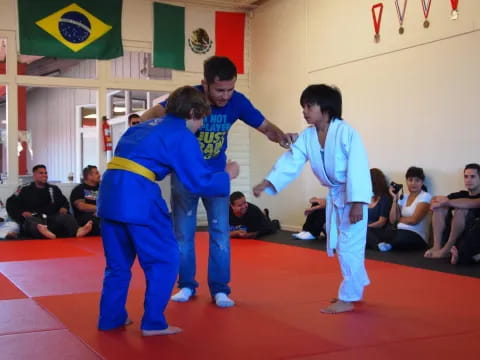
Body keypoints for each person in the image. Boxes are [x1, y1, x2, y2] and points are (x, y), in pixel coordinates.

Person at [141, 56, 295, 307]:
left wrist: (282, 138)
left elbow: (266, 127)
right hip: (185, 174)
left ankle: (220, 289)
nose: (225, 96)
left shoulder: (238, 102)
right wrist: (136, 125)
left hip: (216, 176)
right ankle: (187, 285)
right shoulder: (190, 97)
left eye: (230, 89)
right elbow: (155, 113)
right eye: (219, 90)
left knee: (221, 233)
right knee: (183, 234)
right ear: (205, 84)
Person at [97, 86, 239, 336]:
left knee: (117, 265)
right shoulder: (181, 134)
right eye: (201, 119)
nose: (201, 126)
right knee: (165, 258)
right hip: (137, 196)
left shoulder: (141, 127)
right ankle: (153, 322)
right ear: (194, 112)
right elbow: (200, 182)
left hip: (109, 195)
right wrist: (227, 175)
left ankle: (111, 318)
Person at [253, 84, 372, 314]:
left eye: (309, 106)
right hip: (337, 195)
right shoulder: (308, 136)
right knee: (344, 244)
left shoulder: (347, 133)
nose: (304, 111)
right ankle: (355, 285)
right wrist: (268, 182)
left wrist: (358, 202)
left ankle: (348, 297)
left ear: (326, 108)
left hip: (352, 195)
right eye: (303, 106)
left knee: (350, 246)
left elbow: (358, 167)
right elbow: (292, 160)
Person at [6, 165, 92, 239]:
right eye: (41, 173)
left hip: (51, 218)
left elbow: (64, 202)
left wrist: (64, 208)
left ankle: (78, 231)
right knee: (32, 223)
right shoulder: (23, 189)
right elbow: (11, 203)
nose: (44, 175)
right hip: (34, 218)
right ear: (34, 175)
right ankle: (44, 232)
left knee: (67, 217)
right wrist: (21, 213)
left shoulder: (53, 189)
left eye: (46, 173)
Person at [424, 163, 480, 259]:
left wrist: (447, 202)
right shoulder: (461, 194)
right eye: (466, 177)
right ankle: (436, 247)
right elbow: (435, 202)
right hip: (453, 230)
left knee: (460, 210)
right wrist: (436, 201)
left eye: (472, 177)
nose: (468, 180)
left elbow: (473, 203)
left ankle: (446, 250)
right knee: (439, 208)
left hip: (472, 234)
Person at [379, 167, 431, 251]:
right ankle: (385, 245)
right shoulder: (404, 197)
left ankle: (385, 244)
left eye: (417, 180)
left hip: (416, 235)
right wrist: (395, 199)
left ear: (422, 183)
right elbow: (392, 220)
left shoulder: (425, 196)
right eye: (410, 180)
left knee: (400, 237)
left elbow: (414, 220)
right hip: (399, 231)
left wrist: (398, 219)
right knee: (375, 231)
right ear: (406, 181)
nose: (413, 183)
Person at [366, 168, 393, 250]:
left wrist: (366, 227)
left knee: (364, 232)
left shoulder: (385, 198)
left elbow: (381, 222)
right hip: (365, 228)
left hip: (377, 230)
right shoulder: (366, 196)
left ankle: (379, 244)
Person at [70, 165, 101, 236]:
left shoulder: (102, 188)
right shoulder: (79, 189)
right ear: (89, 176)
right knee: (95, 222)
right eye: (96, 173)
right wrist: (99, 209)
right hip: (85, 218)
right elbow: (81, 206)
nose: (99, 175)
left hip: (101, 215)